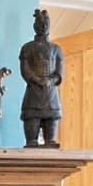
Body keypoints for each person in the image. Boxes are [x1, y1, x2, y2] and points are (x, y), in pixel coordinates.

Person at [18, 9, 63, 147]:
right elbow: (25, 70)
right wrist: (36, 79)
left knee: (51, 142)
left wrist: (50, 80)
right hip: (33, 93)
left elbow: (59, 73)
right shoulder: (27, 48)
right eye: (40, 24)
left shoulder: (56, 49)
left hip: (51, 95)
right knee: (31, 141)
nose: (42, 27)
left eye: (45, 24)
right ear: (34, 26)